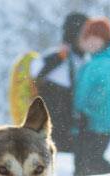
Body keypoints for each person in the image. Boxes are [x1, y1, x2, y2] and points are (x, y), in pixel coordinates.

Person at [73, 17, 110, 176]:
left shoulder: (108, 63)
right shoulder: (94, 62)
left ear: (104, 40)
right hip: (89, 121)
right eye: (88, 39)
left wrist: (88, 109)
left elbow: (106, 89)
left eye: (95, 39)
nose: (91, 43)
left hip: (100, 122)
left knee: (91, 160)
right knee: (86, 161)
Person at [30, 12, 88, 153]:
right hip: (56, 126)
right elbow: (35, 74)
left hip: (65, 126)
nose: (87, 38)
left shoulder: (80, 59)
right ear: (75, 34)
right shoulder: (59, 56)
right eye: (85, 33)